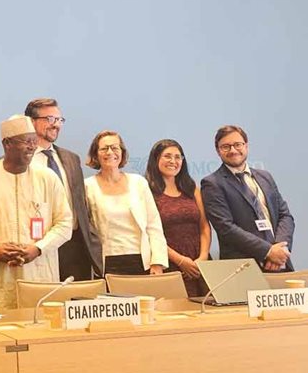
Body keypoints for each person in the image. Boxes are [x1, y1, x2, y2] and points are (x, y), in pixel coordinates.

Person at [0, 115, 72, 311]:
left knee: (41, 328)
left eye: (34, 141)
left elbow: (65, 224)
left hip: (40, 273)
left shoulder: (47, 178)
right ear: (7, 143)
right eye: (26, 142)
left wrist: (39, 248)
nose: (32, 147)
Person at [25, 98, 103, 280]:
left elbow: (81, 206)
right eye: (50, 119)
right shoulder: (20, 161)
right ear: (31, 121)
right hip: (37, 246)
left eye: (59, 120)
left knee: (76, 303)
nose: (56, 125)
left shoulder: (71, 159)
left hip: (74, 245)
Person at [201, 125, 295, 272]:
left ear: (246, 146)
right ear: (218, 151)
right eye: (226, 146)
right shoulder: (212, 183)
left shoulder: (265, 177)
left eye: (237, 144)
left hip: (279, 263)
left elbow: (285, 216)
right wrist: (268, 251)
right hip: (243, 269)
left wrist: (280, 250)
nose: (233, 150)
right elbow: (226, 228)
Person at [85, 131, 168, 276]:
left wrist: (157, 262)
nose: (110, 152)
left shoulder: (138, 183)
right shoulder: (87, 186)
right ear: (96, 154)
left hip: (143, 262)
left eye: (115, 148)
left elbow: (153, 225)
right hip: (107, 263)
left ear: (122, 153)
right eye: (104, 148)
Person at [145, 139, 211, 297]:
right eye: (167, 156)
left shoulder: (191, 188)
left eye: (177, 157)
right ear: (156, 160)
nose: (173, 161)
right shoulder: (147, 190)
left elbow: (204, 227)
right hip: (170, 264)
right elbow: (149, 234)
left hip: (200, 265)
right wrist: (181, 261)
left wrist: (202, 259)